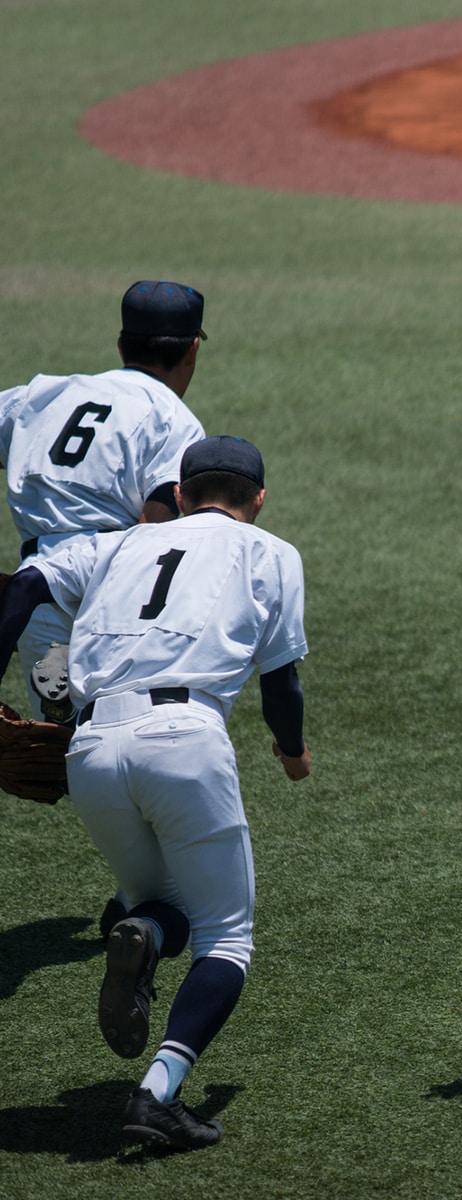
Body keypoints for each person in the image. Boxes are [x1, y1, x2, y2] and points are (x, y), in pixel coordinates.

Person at [0, 435, 311, 1151]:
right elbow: (281, 682)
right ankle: (157, 1094)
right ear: (257, 500)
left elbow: (20, 587)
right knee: (227, 938)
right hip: (182, 736)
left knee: (155, 905)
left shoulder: (119, 543)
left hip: (91, 751)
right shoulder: (271, 553)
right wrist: (292, 756)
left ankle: (143, 934)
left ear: (179, 494)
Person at [0, 279, 208, 937]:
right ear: (192, 352)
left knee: (73, 738)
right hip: (114, 592)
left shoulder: (42, 394)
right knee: (130, 738)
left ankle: (137, 896)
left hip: (38, 609)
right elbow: (158, 517)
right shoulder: (175, 420)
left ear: (121, 344)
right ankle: (145, 904)